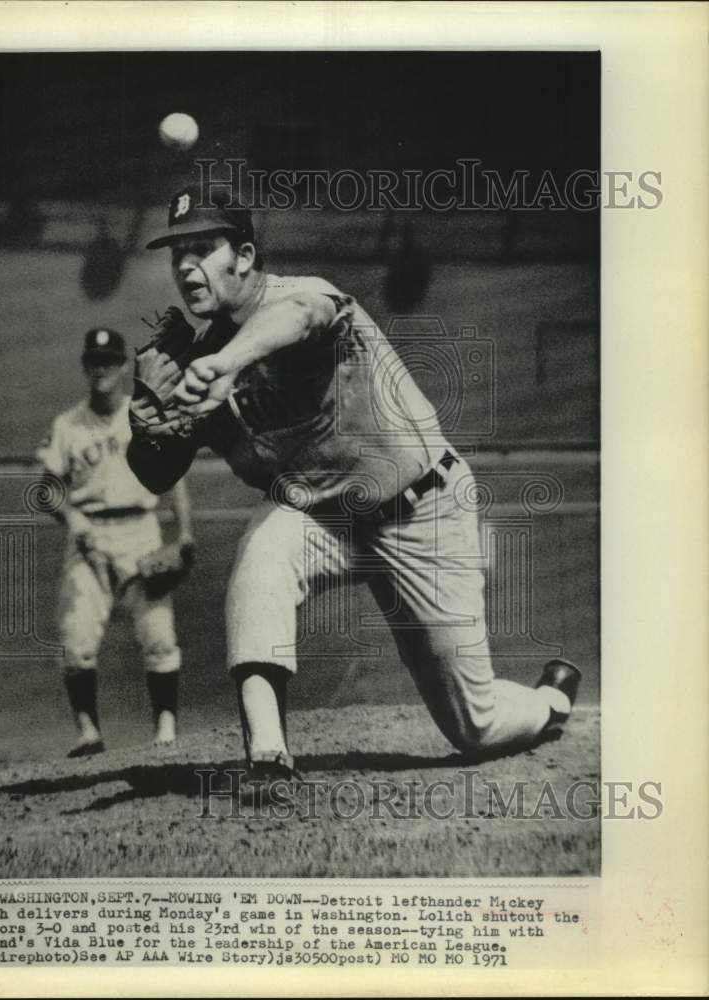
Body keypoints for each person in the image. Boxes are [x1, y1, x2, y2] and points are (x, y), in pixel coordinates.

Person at [127, 184, 581, 779]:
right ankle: (268, 755)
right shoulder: (203, 363)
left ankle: (551, 700)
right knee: (262, 556)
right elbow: (157, 472)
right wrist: (145, 422)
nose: (186, 266)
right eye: (176, 253)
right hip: (323, 520)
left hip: (422, 512)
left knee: (475, 726)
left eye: (204, 248)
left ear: (244, 255)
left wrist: (226, 362)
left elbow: (299, 319)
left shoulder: (301, 297)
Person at [37, 327, 195, 757]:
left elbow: (175, 481)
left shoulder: (144, 413)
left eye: (109, 361)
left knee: (158, 635)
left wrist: (183, 535)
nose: (101, 369)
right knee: (75, 641)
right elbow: (47, 488)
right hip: (89, 538)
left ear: (125, 366)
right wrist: (71, 518)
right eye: (94, 361)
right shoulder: (67, 425)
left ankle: (165, 730)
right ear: (85, 367)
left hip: (142, 532)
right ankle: (88, 733)